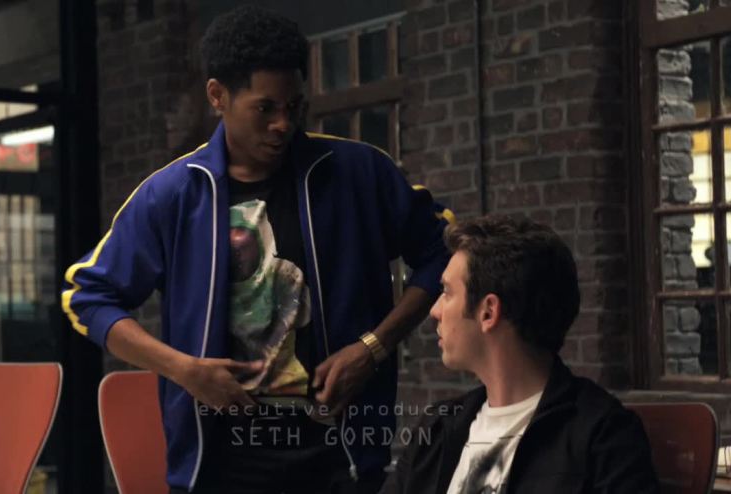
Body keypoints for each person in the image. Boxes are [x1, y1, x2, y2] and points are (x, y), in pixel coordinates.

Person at [60, 5, 450, 494]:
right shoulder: (173, 195)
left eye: (294, 106)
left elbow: (442, 253)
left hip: (344, 457)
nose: (283, 124)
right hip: (218, 466)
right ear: (217, 96)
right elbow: (87, 297)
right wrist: (184, 371)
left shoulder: (358, 173)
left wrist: (373, 347)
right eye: (265, 109)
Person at [380, 215, 659, 494]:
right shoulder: (437, 429)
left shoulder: (603, 436)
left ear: (488, 312)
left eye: (447, 292)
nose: (435, 310)